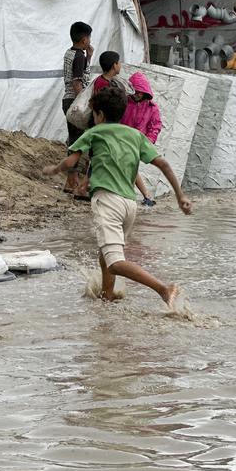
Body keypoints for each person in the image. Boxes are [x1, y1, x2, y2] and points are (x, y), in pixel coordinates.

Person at [42, 86, 193, 308]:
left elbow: (70, 162)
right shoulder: (135, 135)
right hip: (129, 205)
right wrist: (180, 196)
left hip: (108, 202)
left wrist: (54, 170)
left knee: (115, 262)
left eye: (94, 113)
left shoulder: (94, 132)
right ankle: (107, 297)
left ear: (100, 114)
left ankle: (163, 289)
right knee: (106, 254)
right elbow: (163, 164)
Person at [121, 71, 164, 206]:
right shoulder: (124, 102)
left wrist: (149, 141)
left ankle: (138, 195)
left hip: (138, 143)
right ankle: (145, 196)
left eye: (140, 92)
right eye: (135, 91)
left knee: (129, 166)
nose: (137, 94)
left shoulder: (152, 107)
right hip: (121, 140)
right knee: (129, 167)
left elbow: (155, 126)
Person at [62, 21, 93, 194]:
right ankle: (71, 181)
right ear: (84, 39)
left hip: (67, 100)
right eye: (89, 37)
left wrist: (89, 57)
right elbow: (77, 82)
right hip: (75, 102)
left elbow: (79, 71)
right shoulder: (79, 56)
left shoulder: (70, 53)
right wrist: (83, 103)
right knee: (77, 142)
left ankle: (71, 180)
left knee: (75, 140)